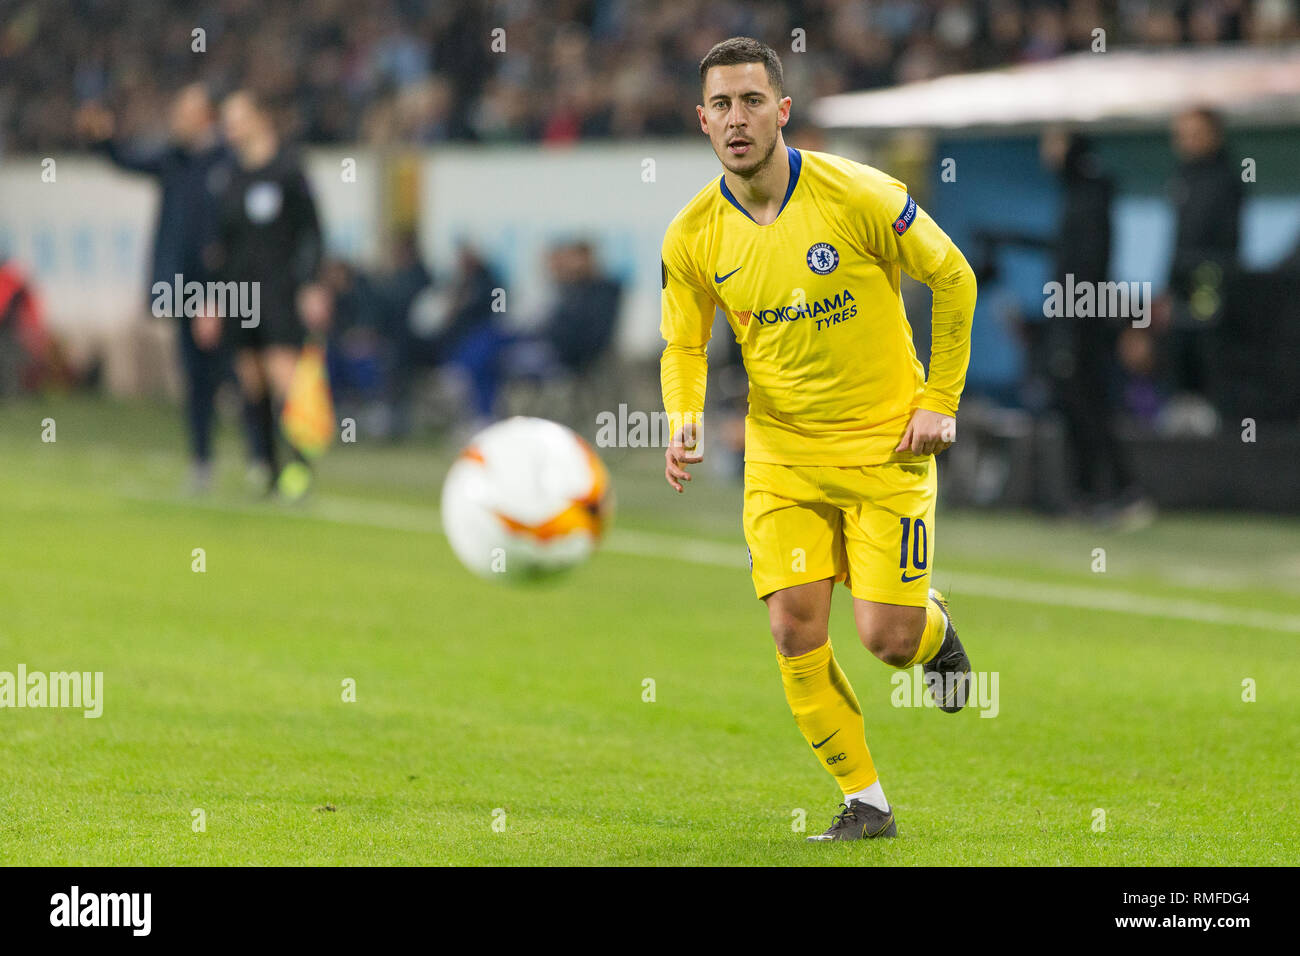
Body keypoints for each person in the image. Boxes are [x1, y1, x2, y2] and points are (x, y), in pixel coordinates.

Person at [660, 38, 977, 842]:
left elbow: (954, 276)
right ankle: (865, 803)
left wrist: (939, 400)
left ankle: (933, 632)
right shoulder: (693, 235)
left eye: (752, 101)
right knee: (794, 625)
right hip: (782, 457)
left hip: (886, 449)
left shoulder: (858, 194)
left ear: (783, 110)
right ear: (702, 121)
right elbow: (685, 345)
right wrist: (684, 418)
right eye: (722, 106)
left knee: (887, 641)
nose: (737, 119)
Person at [75, 84, 233, 492]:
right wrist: (103, 138)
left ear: (206, 116)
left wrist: (219, 292)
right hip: (183, 287)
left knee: (244, 374)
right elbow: (126, 158)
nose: (176, 118)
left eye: (184, 111)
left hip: (234, 287)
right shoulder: (173, 159)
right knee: (196, 376)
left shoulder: (228, 162)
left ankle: (263, 460)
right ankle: (202, 461)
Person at [199, 89, 330, 500]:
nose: (229, 126)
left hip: (280, 291)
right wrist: (211, 299)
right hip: (240, 293)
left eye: (237, 117)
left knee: (284, 380)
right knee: (251, 384)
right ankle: (268, 469)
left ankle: (300, 471)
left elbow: (312, 232)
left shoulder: (289, 169)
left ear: (261, 118)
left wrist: (311, 284)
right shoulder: (229, 177)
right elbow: (221, 245)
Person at [1040, 129, 1150, 526]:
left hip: (1081, 321)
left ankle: (1118, 492)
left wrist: (1071, 324)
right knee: (1080, 407)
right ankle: (1092, 495)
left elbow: (1086, 267)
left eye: (1053, 143)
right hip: (1077, 316)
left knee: (1089, 406)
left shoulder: (1088, 197)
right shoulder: (1080, 194)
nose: (1046, 151)